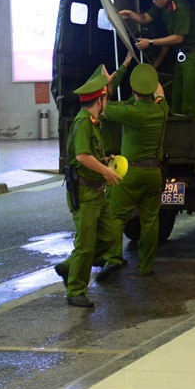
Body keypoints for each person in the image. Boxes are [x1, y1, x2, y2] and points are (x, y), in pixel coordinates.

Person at [54, 66, 124, 308]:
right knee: (85, 245)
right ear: (100, 98)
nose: (108, 101)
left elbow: (88, 155)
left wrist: (104, 162)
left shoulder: (93, 122)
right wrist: (107, 172)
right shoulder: (84, 123)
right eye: (107, 97)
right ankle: (75, 290)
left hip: (96, 191)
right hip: (85, 193)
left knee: (109, 236)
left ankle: (68, 268)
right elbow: (82, 157)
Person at [102, 62, 169, 277]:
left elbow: (103, 108)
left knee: (117, 216)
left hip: (130, 174)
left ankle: (113, 259)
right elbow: (160, 92)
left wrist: (106, 85)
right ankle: (146, 267)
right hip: (153, 175)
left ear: (132, 91)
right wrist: (150, 75)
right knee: (150, 222)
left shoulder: (128, 112)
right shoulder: (162, 109)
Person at [120, 0, 195, 116]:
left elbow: (179, 37)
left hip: (194, 55)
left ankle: (190, 132)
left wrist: (150, 42)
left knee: (190, 99)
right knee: (176, 96)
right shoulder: (161, 5)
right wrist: (131, 15)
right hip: (183, 55)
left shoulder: (181, 7)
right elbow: (145, 18)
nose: (153, 1)